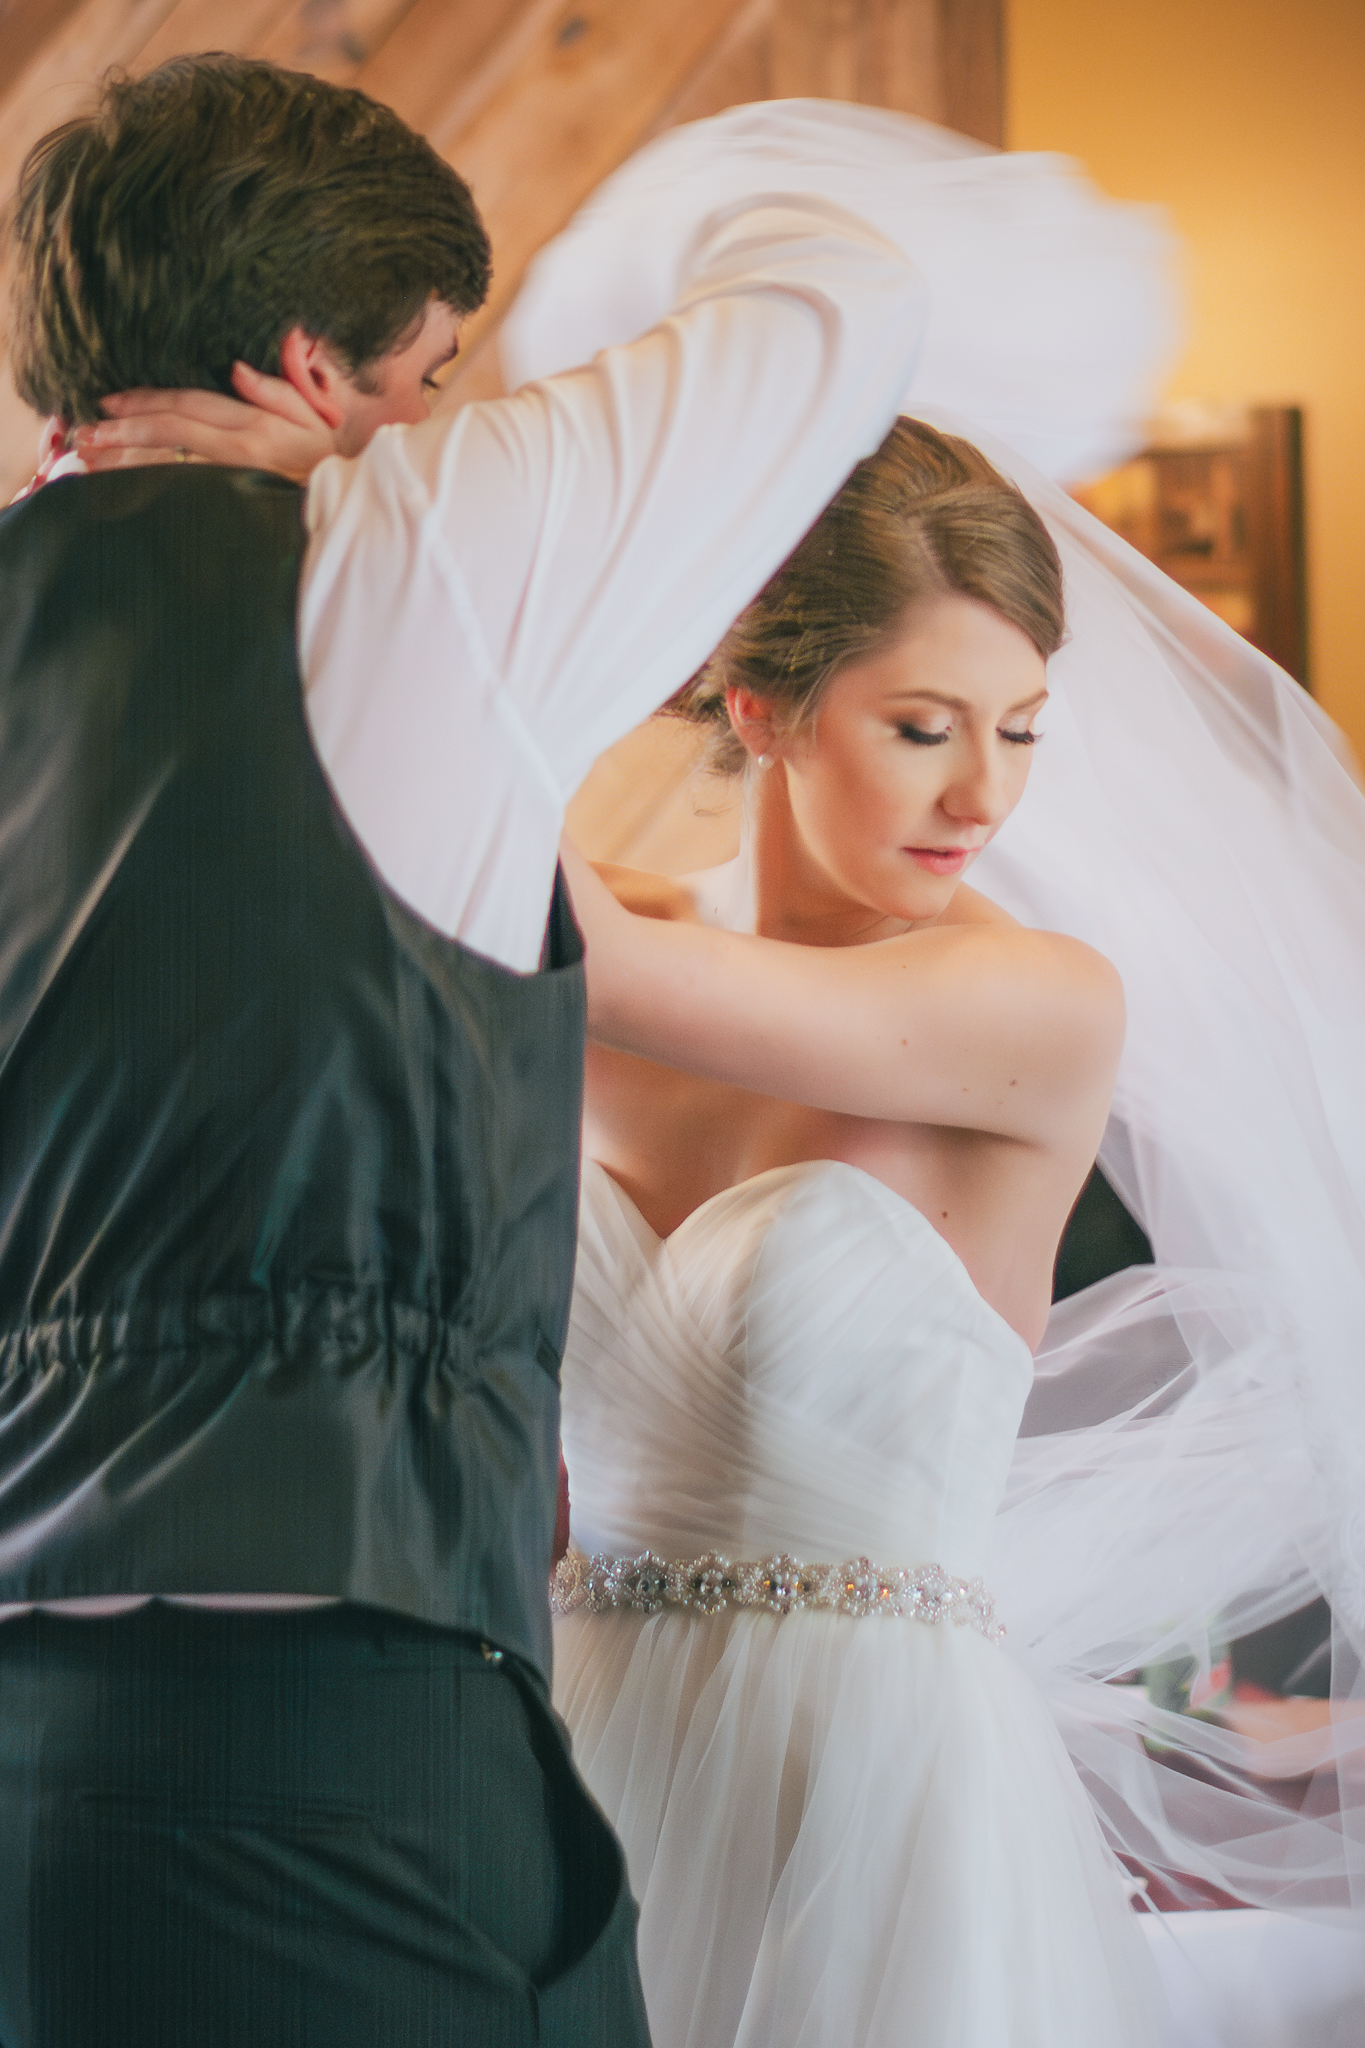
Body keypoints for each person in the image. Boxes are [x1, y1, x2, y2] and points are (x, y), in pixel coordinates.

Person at [0, 57, 925, 2047]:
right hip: (319, 1748)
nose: (449, 420)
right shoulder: (406, 557)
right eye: (431, 372)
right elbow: (840, 295)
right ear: (301, 375)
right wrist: (637, 263)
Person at [549, 415, 1168, 2047]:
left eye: (1022, 731)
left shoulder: (1033, 1002)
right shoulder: (624, 935)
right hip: (569, 1740)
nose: (984, 792)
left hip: (869, 1795)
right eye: (921, 725)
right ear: (752, 702)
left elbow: (569, 944)